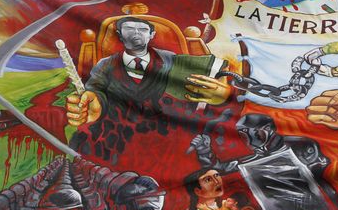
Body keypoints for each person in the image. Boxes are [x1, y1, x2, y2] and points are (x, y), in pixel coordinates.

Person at [66, 17, 230, 128]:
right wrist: (96, 104)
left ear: (152, 35)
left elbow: (217, 73)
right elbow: (95, 91)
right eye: (129, 28)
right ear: (120, 35)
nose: (136, 32)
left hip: (167, 128)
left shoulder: (171, 60)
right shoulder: (105, 65)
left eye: (142, 29)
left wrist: (224, 95)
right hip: (119, 130)